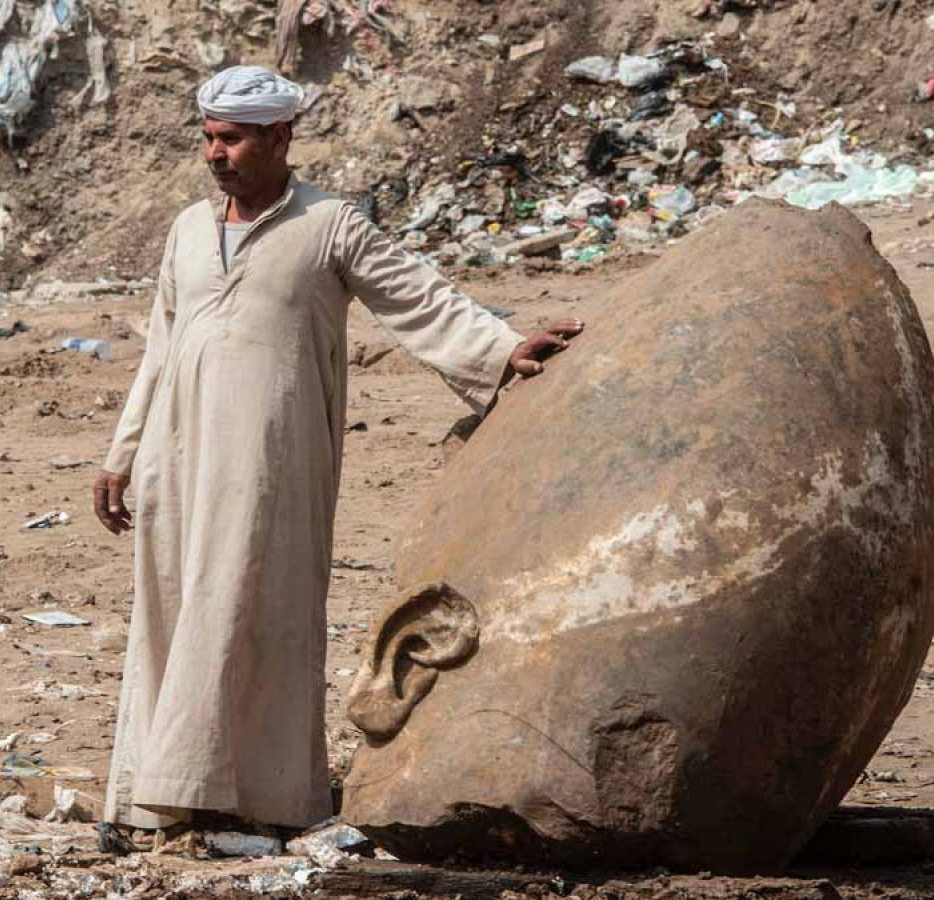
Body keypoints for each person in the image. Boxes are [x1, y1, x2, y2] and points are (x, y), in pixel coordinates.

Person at [92, 64, 583, 835]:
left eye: (232, 139)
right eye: (209, 139)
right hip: (173, 457)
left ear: (279, 137)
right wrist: (122, 455)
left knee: (255, 607)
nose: (215, 154)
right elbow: (159, 348)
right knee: (174, 608)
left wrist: (503, 348)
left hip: (271, 463)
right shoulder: (187, 230)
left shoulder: (329, 225)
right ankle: (158, 788)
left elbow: (418, 296)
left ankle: (259, 797)